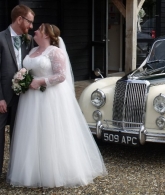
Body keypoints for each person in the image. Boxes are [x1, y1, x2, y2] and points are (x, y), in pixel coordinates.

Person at [7, 23, 107, 188]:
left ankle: (53, 173)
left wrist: (40, 81)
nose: (35, 31)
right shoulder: (32, 51)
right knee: (32, 132)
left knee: (50, 132)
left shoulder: (55, 52)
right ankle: (32, 172)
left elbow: (61, 76)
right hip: (31, 99)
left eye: (39, 30)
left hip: (49, 97)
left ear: (46, 35)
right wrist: (22, 79)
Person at [0, 4, 35, 177]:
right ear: (19, 19)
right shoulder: (0, 39)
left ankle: (14, 173)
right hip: (3, 98)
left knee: (19, 136)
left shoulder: (28, 40)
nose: (31, 26)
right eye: (29, 22)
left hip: (23, 98)